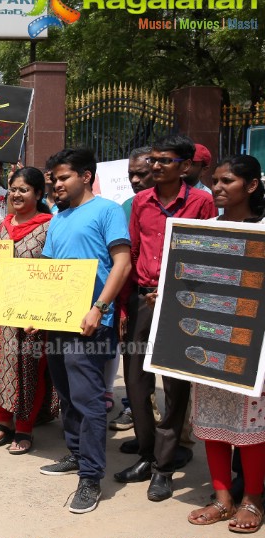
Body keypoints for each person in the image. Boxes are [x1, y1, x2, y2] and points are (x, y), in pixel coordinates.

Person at [116, 135, 217, 502]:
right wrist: (126, 305)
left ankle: (164, 468)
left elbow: (209, 256)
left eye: (165, 161)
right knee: (137, 381)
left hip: (182, 305)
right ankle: (146, 452)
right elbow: (135, 250)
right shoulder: (141, 202)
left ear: (185, 166)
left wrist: (178, 290)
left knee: (175, 386)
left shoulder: (202, 203)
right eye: (153, 160)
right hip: (143, 298)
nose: (155, 167)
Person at [38, 147, 131, 514]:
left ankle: (91, 478)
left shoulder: (107, 211)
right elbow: (46, 271)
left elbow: (122, 262)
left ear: (86, 176)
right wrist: (36, 310)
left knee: (90, 401)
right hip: (56, 322)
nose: (57, 185)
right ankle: (76, 454)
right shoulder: (58, 218)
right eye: (54, 179)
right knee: (66, 394)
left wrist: (99, 308)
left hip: (90, 325)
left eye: (63, 178)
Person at [186, 155, 265, 533]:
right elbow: (194, 283)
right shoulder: (204, 229)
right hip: (208, 339)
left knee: (250, 426)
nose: (216, 187)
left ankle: (252, 499)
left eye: (227, 181)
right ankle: (222, 498)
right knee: (212, 421)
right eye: (214, 180)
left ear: (250, 186)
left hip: (252, 344)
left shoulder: (264, 229)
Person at [0, 167, 56, 454]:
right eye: (13, 189)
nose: (16, 194)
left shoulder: (49, 226)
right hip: (0, 310)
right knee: (2, 367)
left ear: (38, 194)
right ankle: (4, 424)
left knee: (29, 370)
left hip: (32, 313)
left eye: (23, 189)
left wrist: (42, 310)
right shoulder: (4, 225)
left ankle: (24, 429)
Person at [111, 146, 155, 434]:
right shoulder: (127, 206)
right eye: (131, 175)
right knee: (135, 372)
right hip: (135, 298)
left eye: (142, 173)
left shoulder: (197, 203)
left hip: (168, 298)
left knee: (169, 376)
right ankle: (144, 440)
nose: (136, 180)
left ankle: (176, 444)